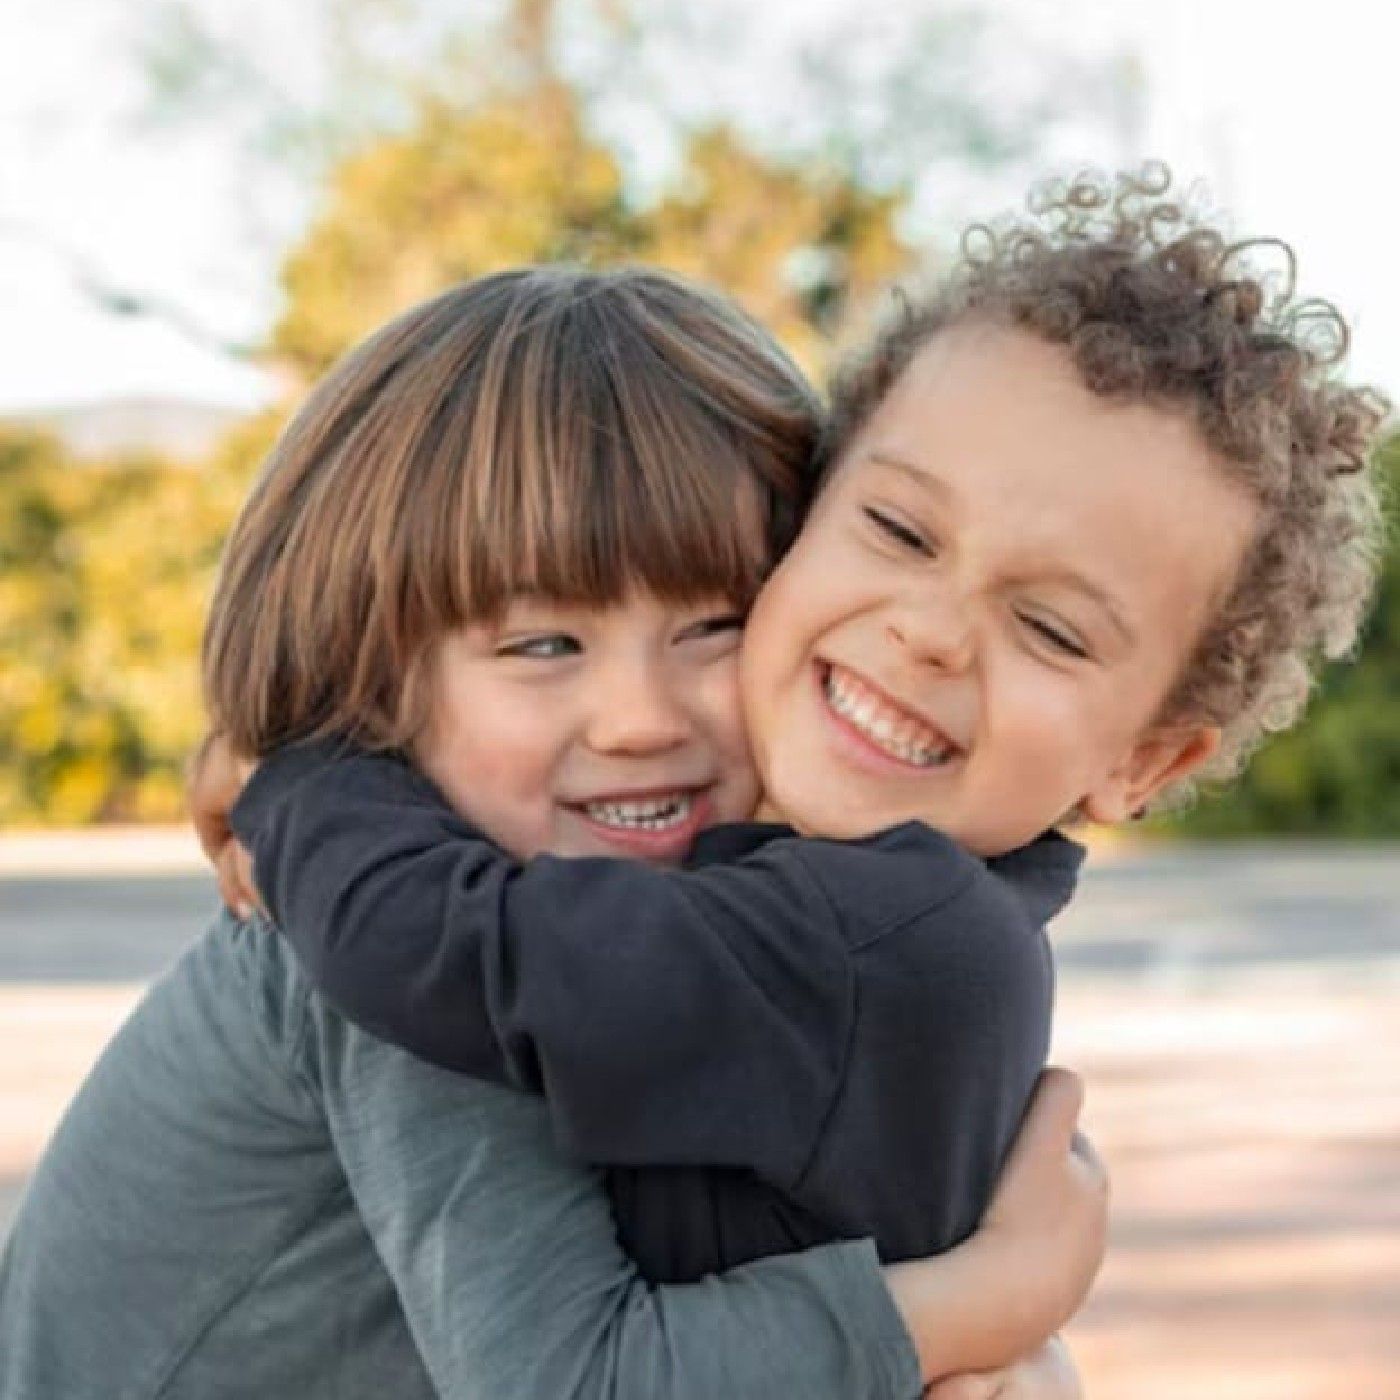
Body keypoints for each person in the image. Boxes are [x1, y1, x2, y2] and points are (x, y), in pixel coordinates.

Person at [210, 165, 1388, 1286]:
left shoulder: (882, 946)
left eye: (1049, 627)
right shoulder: (868, 905)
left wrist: (299, 770)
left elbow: (450, 949)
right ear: (806, 508)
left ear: (1147, 755)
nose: (929, 632)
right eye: (899, 531)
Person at [0, 265, 1102, 1400]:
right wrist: (983, 1297)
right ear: (373, 683)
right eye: (540, 645)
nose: (639, 721)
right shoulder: (397, 964)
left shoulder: (629, 934)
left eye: (714, 625)